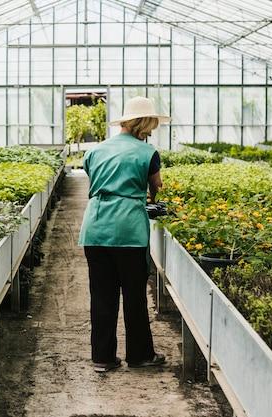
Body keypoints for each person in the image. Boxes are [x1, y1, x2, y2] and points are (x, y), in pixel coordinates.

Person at [77, 96, 171, 372]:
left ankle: (103, 358)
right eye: (150, 126)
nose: (151, 131)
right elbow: (157, 187)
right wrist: (148, 196)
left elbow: (94, 180)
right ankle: (140, 356)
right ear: (143, 124)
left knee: (102, 296)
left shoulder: (96, 151)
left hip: (95, 228)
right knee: (134, 296)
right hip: (128, 230)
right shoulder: (147, 153)